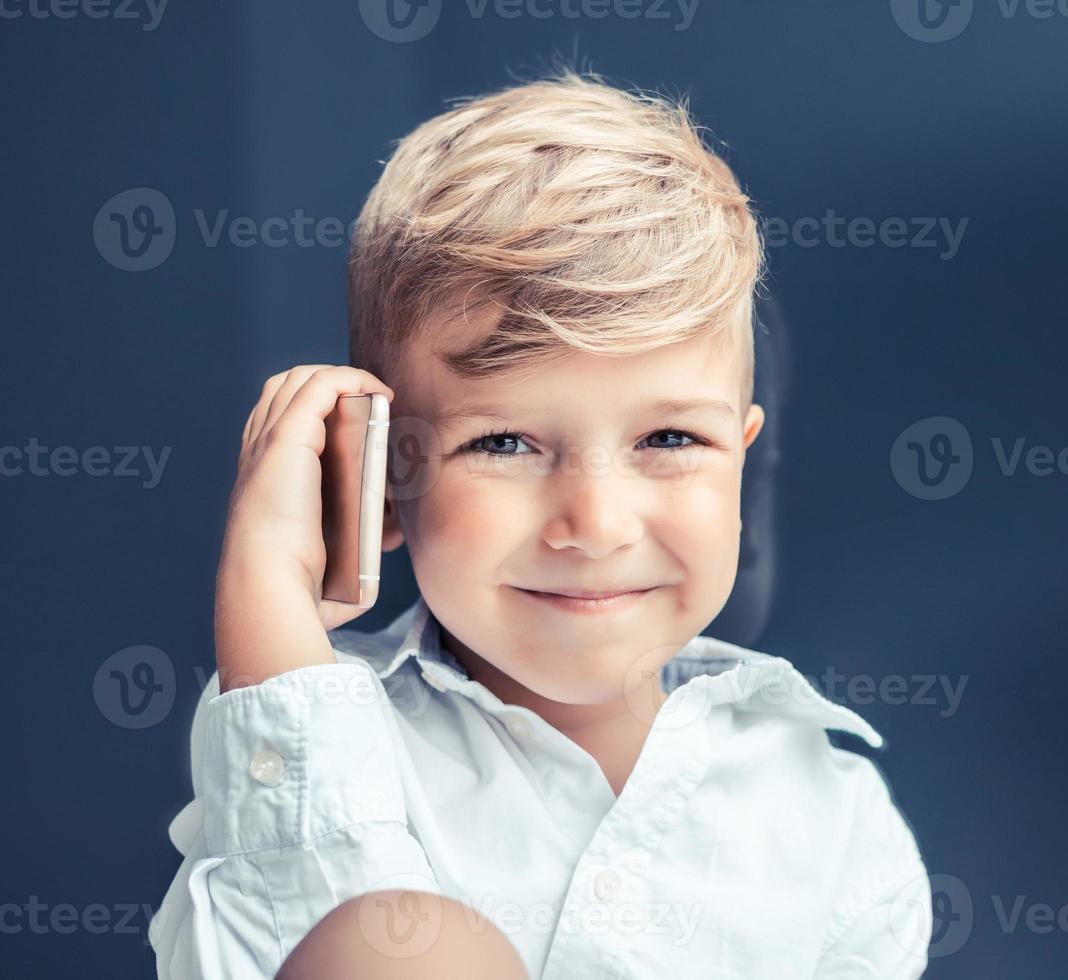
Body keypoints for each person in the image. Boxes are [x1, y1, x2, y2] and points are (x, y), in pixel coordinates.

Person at [148, 69, 932, 979]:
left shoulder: (832, 818)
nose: (594, 525)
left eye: (669, 437)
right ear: (382, 472)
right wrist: (267, 597)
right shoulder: (309, 742)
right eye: (506, 442)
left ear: (741, 460)